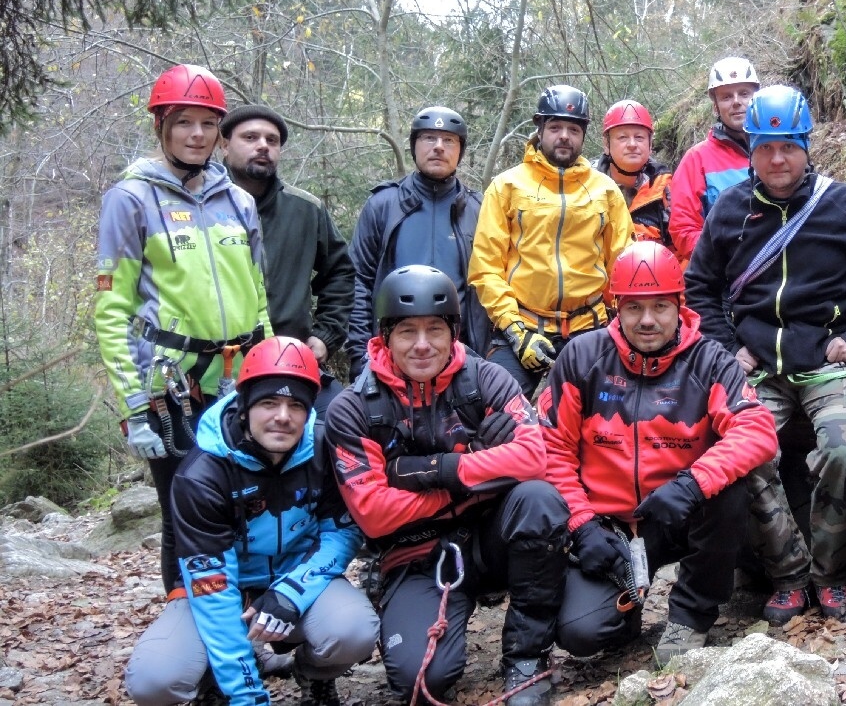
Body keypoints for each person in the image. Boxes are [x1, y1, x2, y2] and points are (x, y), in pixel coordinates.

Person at [324, 265, 570, 705]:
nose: (422, 345)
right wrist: (482, 468)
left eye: (435, 329)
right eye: (407, 332)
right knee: (422, 683)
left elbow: (535, 458)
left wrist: (433, 470)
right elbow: (375, 514)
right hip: (416, 552)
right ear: (385, 336)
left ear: (453, 332)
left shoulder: (485, 379)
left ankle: (527, 660)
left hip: (490, 534)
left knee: (538, 498)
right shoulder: (354, 409)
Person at [535, 242, 777, 664]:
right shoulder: (582, 358)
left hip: (680, 512)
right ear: (617, 308)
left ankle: (691, 614)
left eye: (660, 307)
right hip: (607, 526)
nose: (647, 321)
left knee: (728, 484)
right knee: (581, 635)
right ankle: (625, 609)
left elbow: (756, 429)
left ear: (679, 306)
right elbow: (551, 449)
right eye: (634, 308)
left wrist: (692, 484)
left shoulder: (709, 360)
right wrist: (581, 523)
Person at [684, 84, 846, 622]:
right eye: (765, 147)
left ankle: (830, 574)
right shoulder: (731, 209)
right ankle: (789, 574)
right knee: (745, 458)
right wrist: (728, 346)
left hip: (829, 364)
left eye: (788, 146)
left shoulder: (844, 205)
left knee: (841, 450)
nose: (776, 159)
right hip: (759, 364)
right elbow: (698, 287)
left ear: (806, 146)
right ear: (751, 150)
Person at [95, 63, 271, 595]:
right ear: (162, 128)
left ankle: (248, 621)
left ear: (219, 132)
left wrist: (270, 371)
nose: (196, 135)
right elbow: (112, 309)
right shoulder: (131, 199)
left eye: (206, 124)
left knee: (249, 500)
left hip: (238, 379)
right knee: (184, 511)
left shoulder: (238, 201)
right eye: (183, 122)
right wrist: (133, 407)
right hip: (171, 385)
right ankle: (187, 627)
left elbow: (258, 296)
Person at [124, 337, 377, 706]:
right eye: (268, 402)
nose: (282, 416)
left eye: (296, 405)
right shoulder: (202, 474)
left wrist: (291, 592)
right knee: (154, 680)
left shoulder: (325, 449)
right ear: (243, 407)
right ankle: (215, 680)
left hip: (298, 576)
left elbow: (341, 533)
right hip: (220, 587)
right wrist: (248, 696)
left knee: (353, 630)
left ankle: (315, 674)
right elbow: (212, 586)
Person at [470, 85, 632, 396]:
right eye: (555, 127)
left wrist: (621, 321)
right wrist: (515, 331)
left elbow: (623, 266)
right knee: (497, 410)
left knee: (607, 412)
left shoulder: (606, 191)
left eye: (573, 129)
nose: (564, 136)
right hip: (522, 323)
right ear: (540, 129)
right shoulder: (507, 186)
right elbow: (485, 268)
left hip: (589, 328)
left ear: (583, 136)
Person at [220, 104, 355, 416]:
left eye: (272, 140)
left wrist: (325, 335)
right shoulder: (199, 208)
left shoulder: (305, 209)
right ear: (224, 144)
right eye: (250, 137)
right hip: (218, 365)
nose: (263, 146)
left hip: (289, 359)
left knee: (339, 421)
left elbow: (340, 273)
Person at [345, 106, 490, 376]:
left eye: (449, 140)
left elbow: (492, 284)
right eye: (428, 138)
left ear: (460, 150)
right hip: (391, 355)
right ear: (414, 146)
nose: (438, 147)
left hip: (460, 356)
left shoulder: (479, 209)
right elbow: (359, 281)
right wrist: (359, 355)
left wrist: (484, 358)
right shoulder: (384, 205)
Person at [667, 57, 759, 260]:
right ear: (716, 106)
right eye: (726, 97)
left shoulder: (778, 149)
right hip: (726, 278)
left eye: (744, 93)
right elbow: (683, 230)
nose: (736, 102)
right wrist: (728, 254)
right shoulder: (696, 159)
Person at [596, 99, 674, 251]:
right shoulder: (588, 188)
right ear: (607, 144)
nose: (632, 144)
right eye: (622, 137)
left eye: (639, 137)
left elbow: (681, 248)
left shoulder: (666, 188)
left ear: (650, 145)